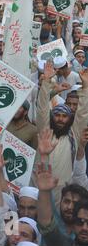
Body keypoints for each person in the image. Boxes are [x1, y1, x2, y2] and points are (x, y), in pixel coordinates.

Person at [36, 61, 88, 203]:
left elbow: (82, 114)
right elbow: (42, 109)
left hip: (62, 194)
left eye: (64, 116)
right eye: (57, 115)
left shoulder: (73, 136)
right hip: (38, 189)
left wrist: (85, 88)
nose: (60, 119)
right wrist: (46, 81)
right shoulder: (45, 131)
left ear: (69, 119)